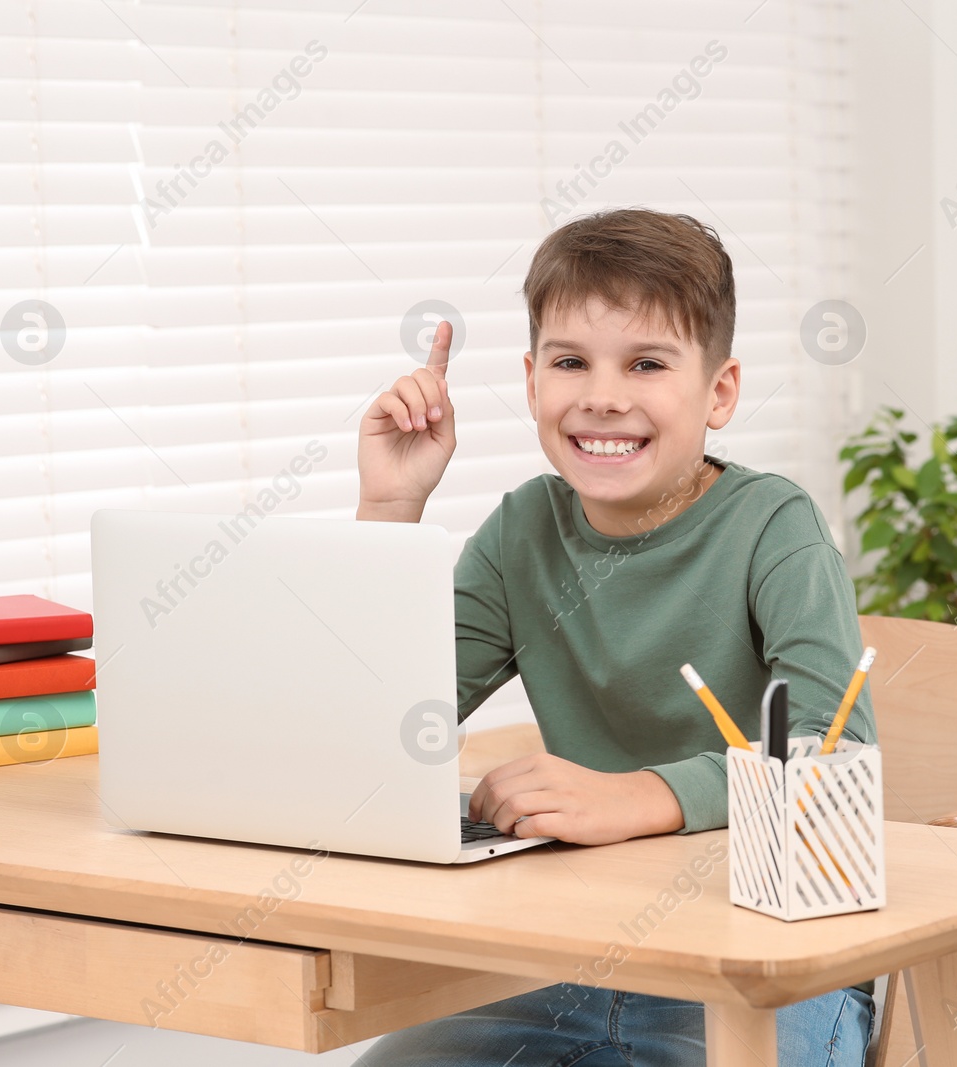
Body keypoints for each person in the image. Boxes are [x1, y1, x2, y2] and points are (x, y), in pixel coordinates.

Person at [352, 207, 876, 1065]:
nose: (602, 393)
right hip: (570, 955)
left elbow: (835, 749)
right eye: (570, 362)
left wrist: (638, 795)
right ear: (530, 383)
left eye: (646, 362)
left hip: (768, 958)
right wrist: (389, 507)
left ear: (720, 391)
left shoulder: (773, 526)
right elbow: (380, 720)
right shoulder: (524, 528)